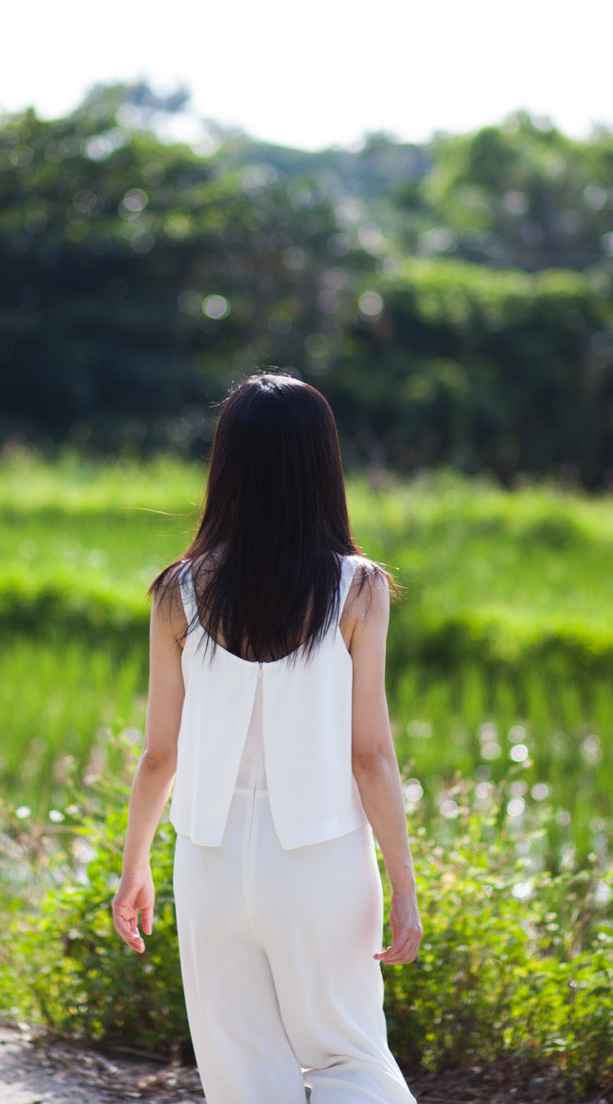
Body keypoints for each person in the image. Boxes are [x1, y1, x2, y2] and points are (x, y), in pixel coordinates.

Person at [110, 372, 420, 1102]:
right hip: (318, 863)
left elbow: (160, 754)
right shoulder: (357, 588)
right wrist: (404, 885)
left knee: (242, 1075)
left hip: (209, 863)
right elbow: (370, 755)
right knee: (348, 1057)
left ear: (227, 465)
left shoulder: (177, 590)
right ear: (322, 464)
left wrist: (135, 866)